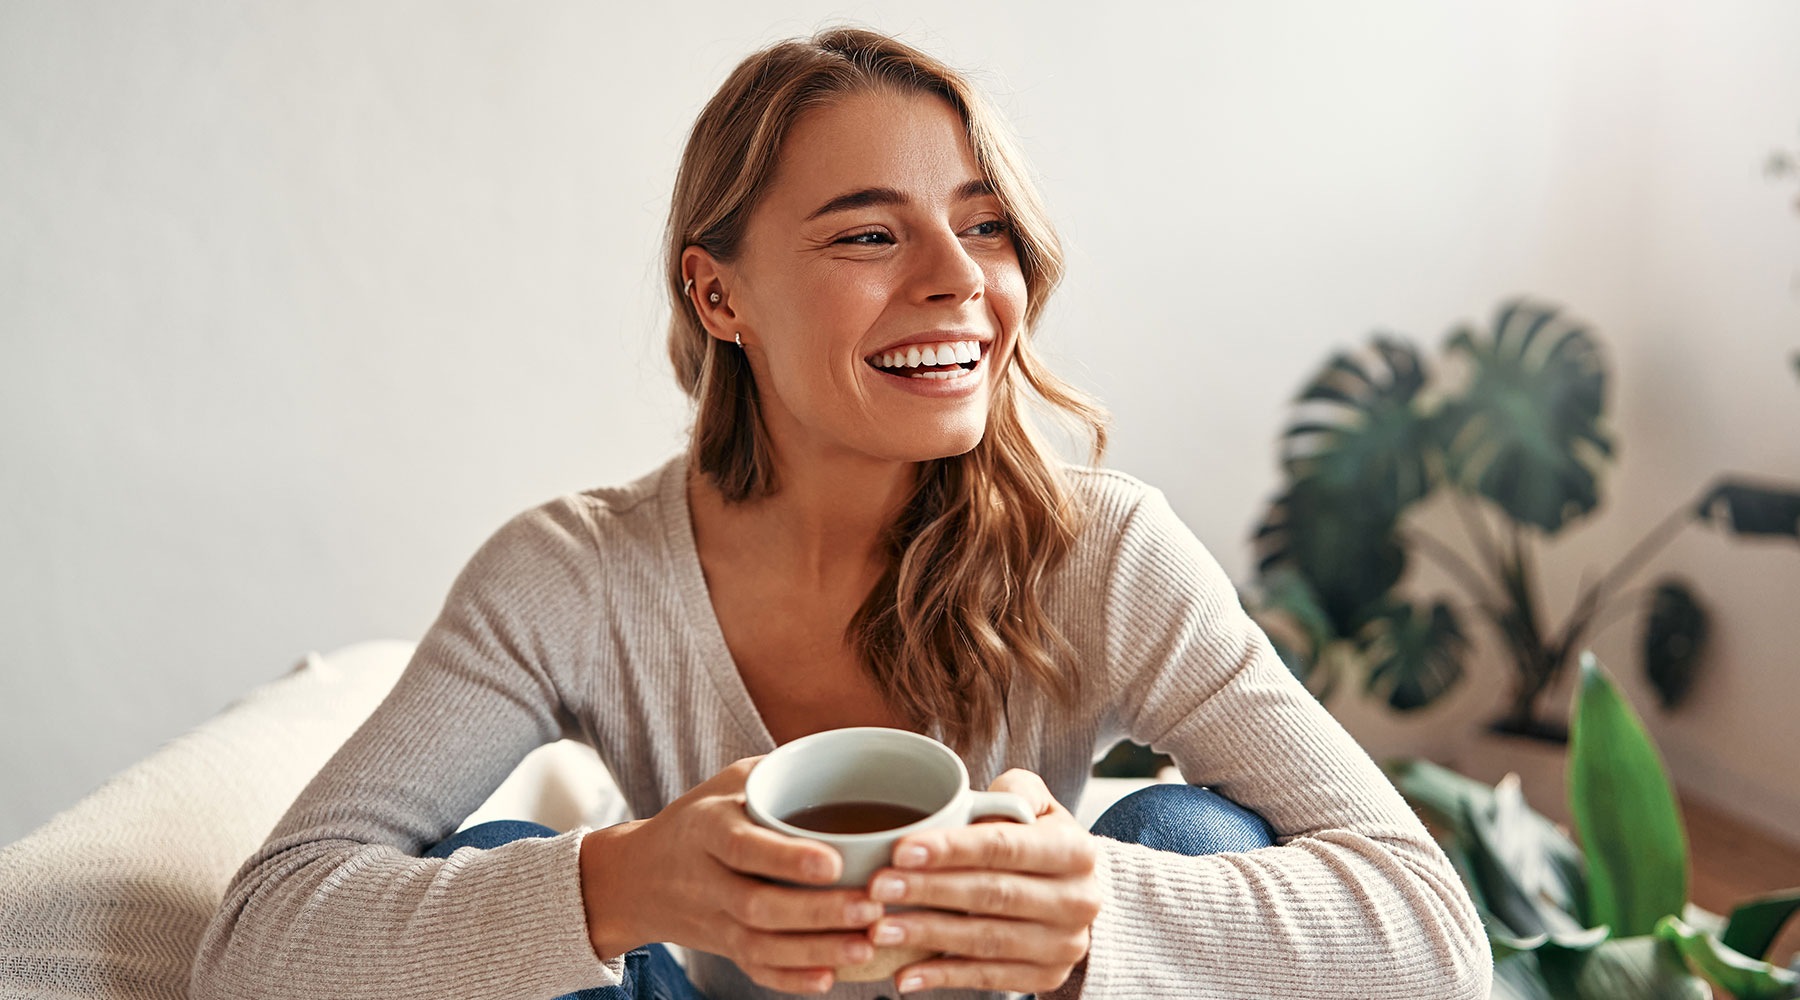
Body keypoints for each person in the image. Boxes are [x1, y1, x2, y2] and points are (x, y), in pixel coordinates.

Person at [190, 25, 1490, 1000]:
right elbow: (255, 947)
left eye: (984, 227)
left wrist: (1103, 916)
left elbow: (1436, 942)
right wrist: (619, 881)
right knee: (508, 859)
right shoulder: (573, 578)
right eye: (869, 237)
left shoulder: (1103, 554)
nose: (958, 283)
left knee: (1187, 839)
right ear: (719, 298)